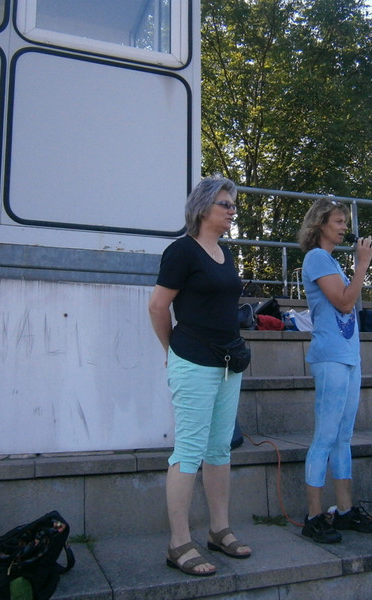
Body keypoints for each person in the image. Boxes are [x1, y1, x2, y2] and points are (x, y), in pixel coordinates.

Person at [148, 175, 252, 576]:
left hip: (228, 363)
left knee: (219, 449)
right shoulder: (181, 251)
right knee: (189, 450)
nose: (232, 211)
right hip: (193, 361)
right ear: (203, 207)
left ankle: (219, 530)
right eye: (226, 204)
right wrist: (171, 351)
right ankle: (178, 544)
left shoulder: (226, 253)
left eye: (233, 205)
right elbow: (158, 307)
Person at [297, 198, 372, 543]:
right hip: (330, 356)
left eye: (345, 221)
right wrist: (362, 265)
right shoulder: (316, 257)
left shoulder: (331, 261)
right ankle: (313, 516)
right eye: (338, 221)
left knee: (343, 437)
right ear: (320, 223)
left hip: (348, 356)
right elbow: (345, 302)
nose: (345, 227)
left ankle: (345, 511)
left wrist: (357, 268)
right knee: (325, 436)